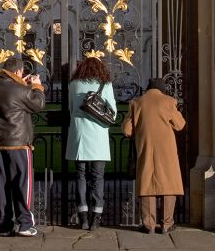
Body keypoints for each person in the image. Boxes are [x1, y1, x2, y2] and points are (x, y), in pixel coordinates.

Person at [0, 57, 45, 237]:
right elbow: (38, 104)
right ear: (18, 72)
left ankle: (5, 225)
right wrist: (36, 86)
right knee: (22, 183)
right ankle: (25, 223)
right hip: (18, 142)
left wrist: (22, 84)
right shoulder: (19, 90)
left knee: (1, 185)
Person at [121, 78, 186, 234]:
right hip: (167, 151)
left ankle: (149, 224)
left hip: (146, 149)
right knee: (169, 185)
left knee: (147, 185)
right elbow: (180, 125)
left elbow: (127, 130)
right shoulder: (169, 101)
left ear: (147, 89)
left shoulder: (136, 103)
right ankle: (167, 224)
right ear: (162, 89)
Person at [65, 57, 117, 231]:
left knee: (80, 176)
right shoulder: (106, 85)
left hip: (79, 136)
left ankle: (83, 217)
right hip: (98, 137)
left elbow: (71, 109)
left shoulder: (73, 85)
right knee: (97, 178)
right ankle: (96, 217)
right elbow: (113, 113)